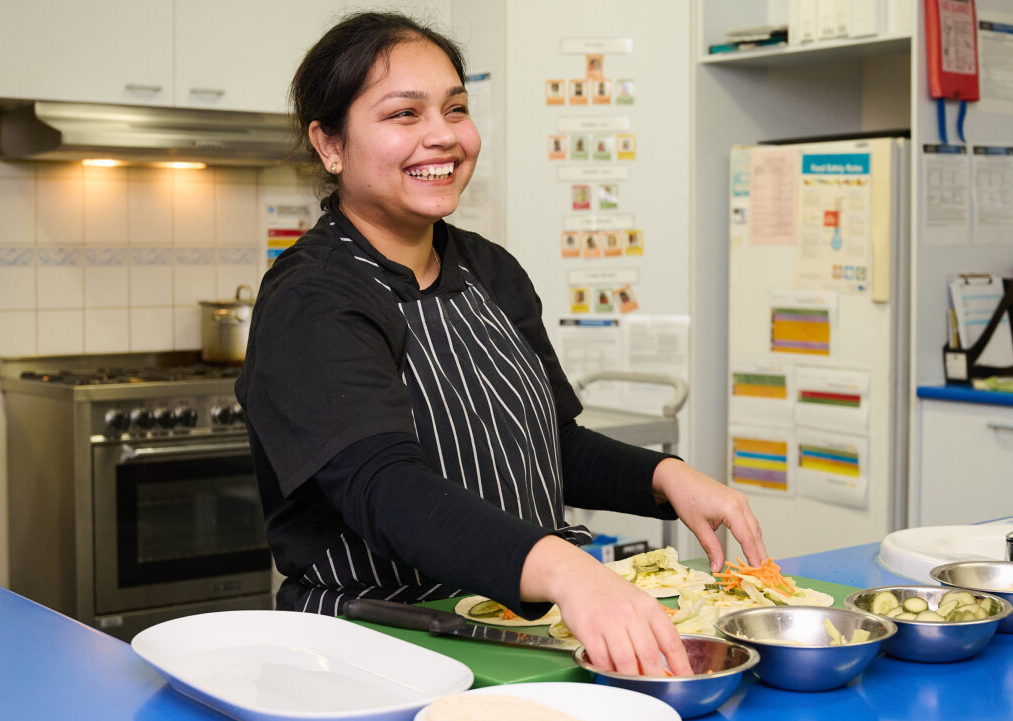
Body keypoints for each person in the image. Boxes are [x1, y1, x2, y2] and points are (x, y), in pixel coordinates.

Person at [235, 11, 767, 677]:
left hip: (523, 635)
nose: (443, 136)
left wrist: (665, 477)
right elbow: (386, 488)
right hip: (376, 654)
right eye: (405, 114)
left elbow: (547, 446)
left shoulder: (489, 270)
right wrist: (569, 570)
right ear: (329, 144)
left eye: (455, 108)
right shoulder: (310, 300)